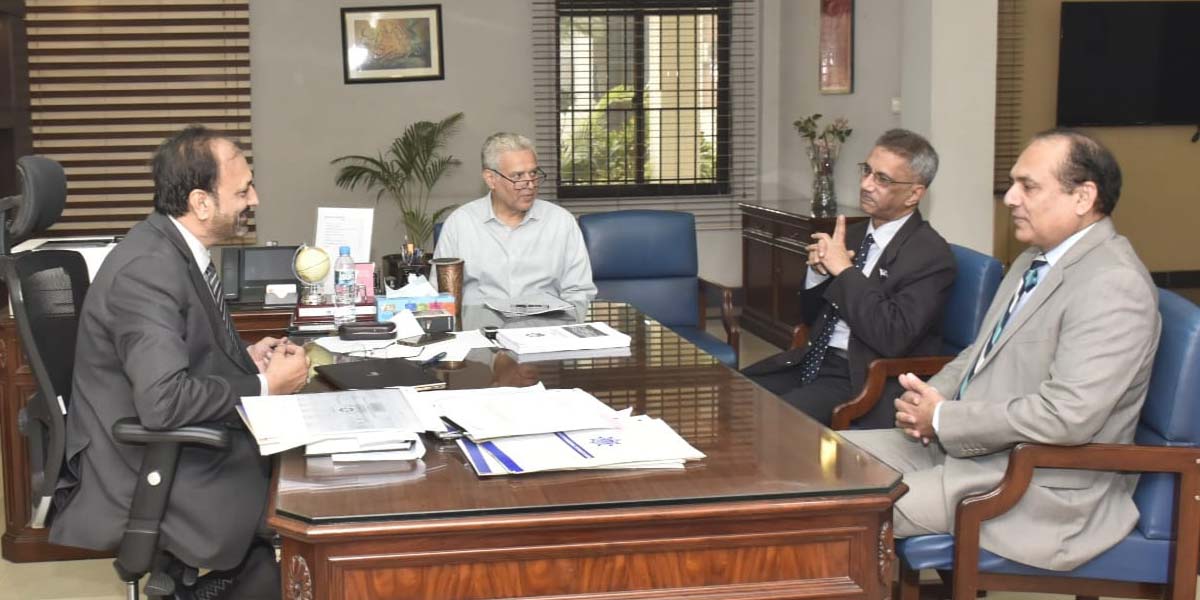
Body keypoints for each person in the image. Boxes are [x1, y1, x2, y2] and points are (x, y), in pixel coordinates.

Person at [844, 129, 1160, 571]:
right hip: (972, 448)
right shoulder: (1036, 259)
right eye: (1013, 183)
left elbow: (1068, 416)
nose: (1010, 198)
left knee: (837, 510)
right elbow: (980, 349)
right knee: (824, 463)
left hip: (1037, 484)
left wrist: (943, 418)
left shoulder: (1114, 284)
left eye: (1028, 186)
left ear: (1083, 197)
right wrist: (929, 399)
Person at [50, 126, 311, 599]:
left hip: (176, 451)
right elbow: (163, 402)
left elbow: (185, 354)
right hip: (148, 469)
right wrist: (266, 387)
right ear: (201, 202)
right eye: (242, 190)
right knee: (319, 496)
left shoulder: (175, 250)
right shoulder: (148, 268)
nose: (255, 198)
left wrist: (249, 362)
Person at [742, 129, 955, 428]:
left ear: (914, 194)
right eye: (866, 171)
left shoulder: (930, 255)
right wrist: (817, 275)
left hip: (860, 375)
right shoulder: (852, 235)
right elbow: (809, 318)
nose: (866, 184)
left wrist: (844, 271)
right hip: (812, 358)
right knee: (731, 395)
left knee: (767, 421)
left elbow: (893, 337)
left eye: (882, 179)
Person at [434, 132, 596, 307]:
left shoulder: (561, 222)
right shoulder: (460, 223)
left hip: (545, 328)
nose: (531, 184)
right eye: (518, 176)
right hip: (479, 330)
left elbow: (579, 292)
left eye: (533, 173)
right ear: (491, 179)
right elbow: (441, 294)